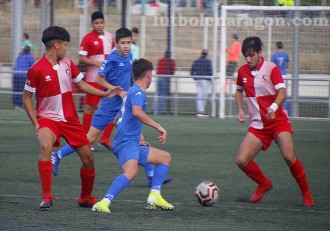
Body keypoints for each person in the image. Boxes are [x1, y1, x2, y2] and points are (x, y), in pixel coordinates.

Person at [51, 28, 172, 187]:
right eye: (123, 43)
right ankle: (57, 155)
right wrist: (113, 89)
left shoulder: (130, 56)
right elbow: (99, 79)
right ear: (116, 44)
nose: (126, 46)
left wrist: (130, 93)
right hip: (109, 107)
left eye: (128, 42)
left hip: (123, 107)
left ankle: (150, 176)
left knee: (139, 139)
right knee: (89, 139)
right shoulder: (111, 59)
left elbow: (129, 79)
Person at [22, 26, 122, 211]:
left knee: (88, 158)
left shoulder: (68, 63)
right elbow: (26, 98)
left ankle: (85, 197)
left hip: (70, 120)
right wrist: (36, 123)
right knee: (45, 146)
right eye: (66, 45)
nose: (67, 49)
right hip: (48, 120)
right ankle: (46, 196)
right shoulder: (36, 69)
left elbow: (82, 85)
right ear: (57, 45)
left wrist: (104, 94)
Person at [234, 36, 314, 207]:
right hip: (258, 125)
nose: (248, 59)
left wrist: (273, 107)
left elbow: (283, 93)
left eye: (251, 55)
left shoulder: (272, 69)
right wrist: (240, 109)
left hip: (278, 121)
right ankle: (264, 184)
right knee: (241, 160)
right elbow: (239, 90)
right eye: (245, 56)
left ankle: (306, 194)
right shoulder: (242, 72)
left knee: (289, 157)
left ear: (260, 53)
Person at [91, 58, 174, 213]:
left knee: (165, 157)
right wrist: (158, 127)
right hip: (126, 143)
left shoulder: (131, 92)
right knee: (131, 172)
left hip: (131, 143)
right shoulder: (137, 92)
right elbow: (136, 112)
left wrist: (138, 137)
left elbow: (117, 120)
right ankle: (104, 202)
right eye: (152, 75)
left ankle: (155, 195)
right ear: (148, 75)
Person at [79, 11, 115, 151]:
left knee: (112, 107)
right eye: (96, 23)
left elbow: (112, 55)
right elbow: (81, 58)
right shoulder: (87, 38)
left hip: (108, 78)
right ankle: (85, 140)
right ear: (92, 24)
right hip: (93, 79)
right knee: (91, 107)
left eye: (101, 22)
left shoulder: (110, 36)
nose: (99, 25)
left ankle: (105, 138)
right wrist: (98, 63)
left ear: (104, 22)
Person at [191, 49, 213, 118]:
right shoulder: (208, 61)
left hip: (198, 80)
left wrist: (195, 78)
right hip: (205, 81)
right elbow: (210, 72)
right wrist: (210, 79)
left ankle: (200, 111)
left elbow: (192, 71)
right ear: (207, 54)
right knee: (204, 96)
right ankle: (201, 111)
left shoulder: (196, 61)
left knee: (199, 96)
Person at [271, 41, 291, 115]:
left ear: (276, 46)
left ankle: (277, 110)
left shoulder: (274, 55)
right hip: (284, 76)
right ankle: (286, 111)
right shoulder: (286, 55)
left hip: (277, 76)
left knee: (277, 94)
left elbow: (272, 66)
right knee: (284, 94)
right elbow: (287, 65)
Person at [156, 50, 175, 114]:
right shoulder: (171, 61)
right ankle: (160, 110)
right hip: (165, 78)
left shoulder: (160, 60)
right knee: (163, 94)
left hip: (159, 77)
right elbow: (172, 71)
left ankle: (154, 108)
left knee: (158, 93)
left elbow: (158, 69)